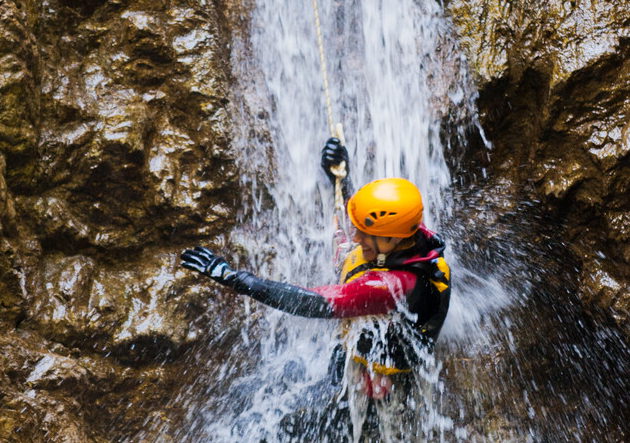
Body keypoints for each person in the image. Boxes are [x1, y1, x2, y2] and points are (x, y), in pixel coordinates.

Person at [180, 137, 451, 439]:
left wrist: (236, 279)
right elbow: (358, 235)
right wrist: (341, 179)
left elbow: (313, 302)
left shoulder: (393, 287)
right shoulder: (410, 239)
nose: (358, 238)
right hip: (367, 356)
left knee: (288, 431)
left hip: (378, 387)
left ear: (393, 240)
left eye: (366, 234)